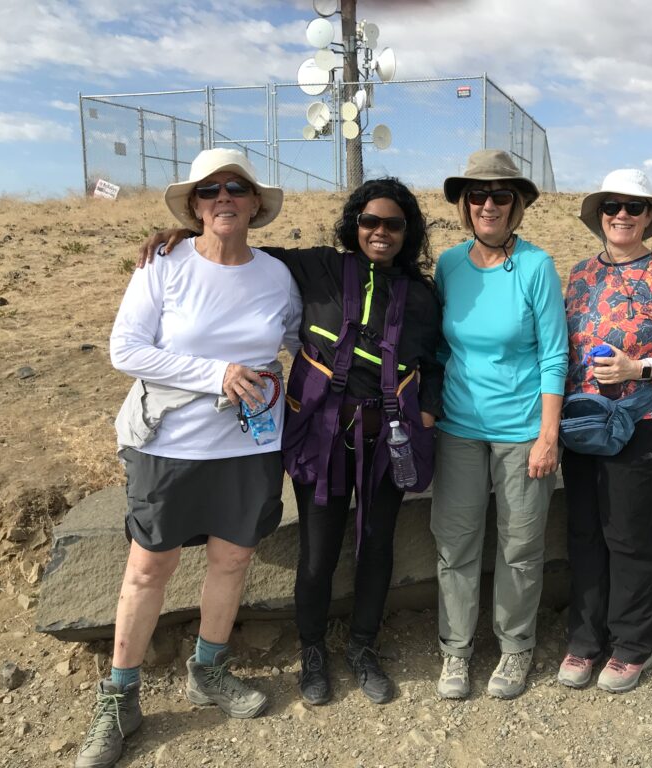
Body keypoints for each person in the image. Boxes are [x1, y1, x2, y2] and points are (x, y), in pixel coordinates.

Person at [138, 178, 443, 707]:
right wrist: (186, 233)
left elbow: (436, 359)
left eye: (394, 224)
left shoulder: (419, 294)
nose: (380, 232)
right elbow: (237, 251)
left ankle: (364, 649)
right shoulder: (317, 267)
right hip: (321, 439)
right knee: (318, 551)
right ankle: (314, 652)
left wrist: (428, 414)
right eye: (370, 221)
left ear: (407, 232)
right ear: (355, 225)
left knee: (376, 545)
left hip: (388, 441)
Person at [77, 148, 302, 768]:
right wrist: (216, 375)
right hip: (170, 445)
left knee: (231, 563)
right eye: (210, 191)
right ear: (195, 206)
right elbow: (127, 349)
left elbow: (297, 340)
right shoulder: (164, 263)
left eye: (236, 188)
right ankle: (120, 697)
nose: (223, 197)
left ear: (256, 204)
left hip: (250, 445)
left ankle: (209, 669)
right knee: (149, 568)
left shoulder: (277, 277)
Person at [558, 169, 652, 693]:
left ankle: (632, 643)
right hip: (583, 423)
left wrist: (637, 369)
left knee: (627, 535)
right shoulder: (578, 275)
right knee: (582, 532)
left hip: (641, 424)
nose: (622, 215)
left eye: (634, 207)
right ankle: (585, 638)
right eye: (612, 206)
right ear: (599, 215)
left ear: (649, 217)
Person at [431, 149, 568, 700]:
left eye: (501, 196)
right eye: (478, 196)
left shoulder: (536, 267)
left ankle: (515, 648)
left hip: (522, 431)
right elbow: (439, 345)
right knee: (455, 543)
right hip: (459, 427)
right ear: (465, 206)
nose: (489, 205)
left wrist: (548, 435)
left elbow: (555, 356)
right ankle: (455, 651)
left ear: (517, 207)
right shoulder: (449, 265)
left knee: (519, 545)